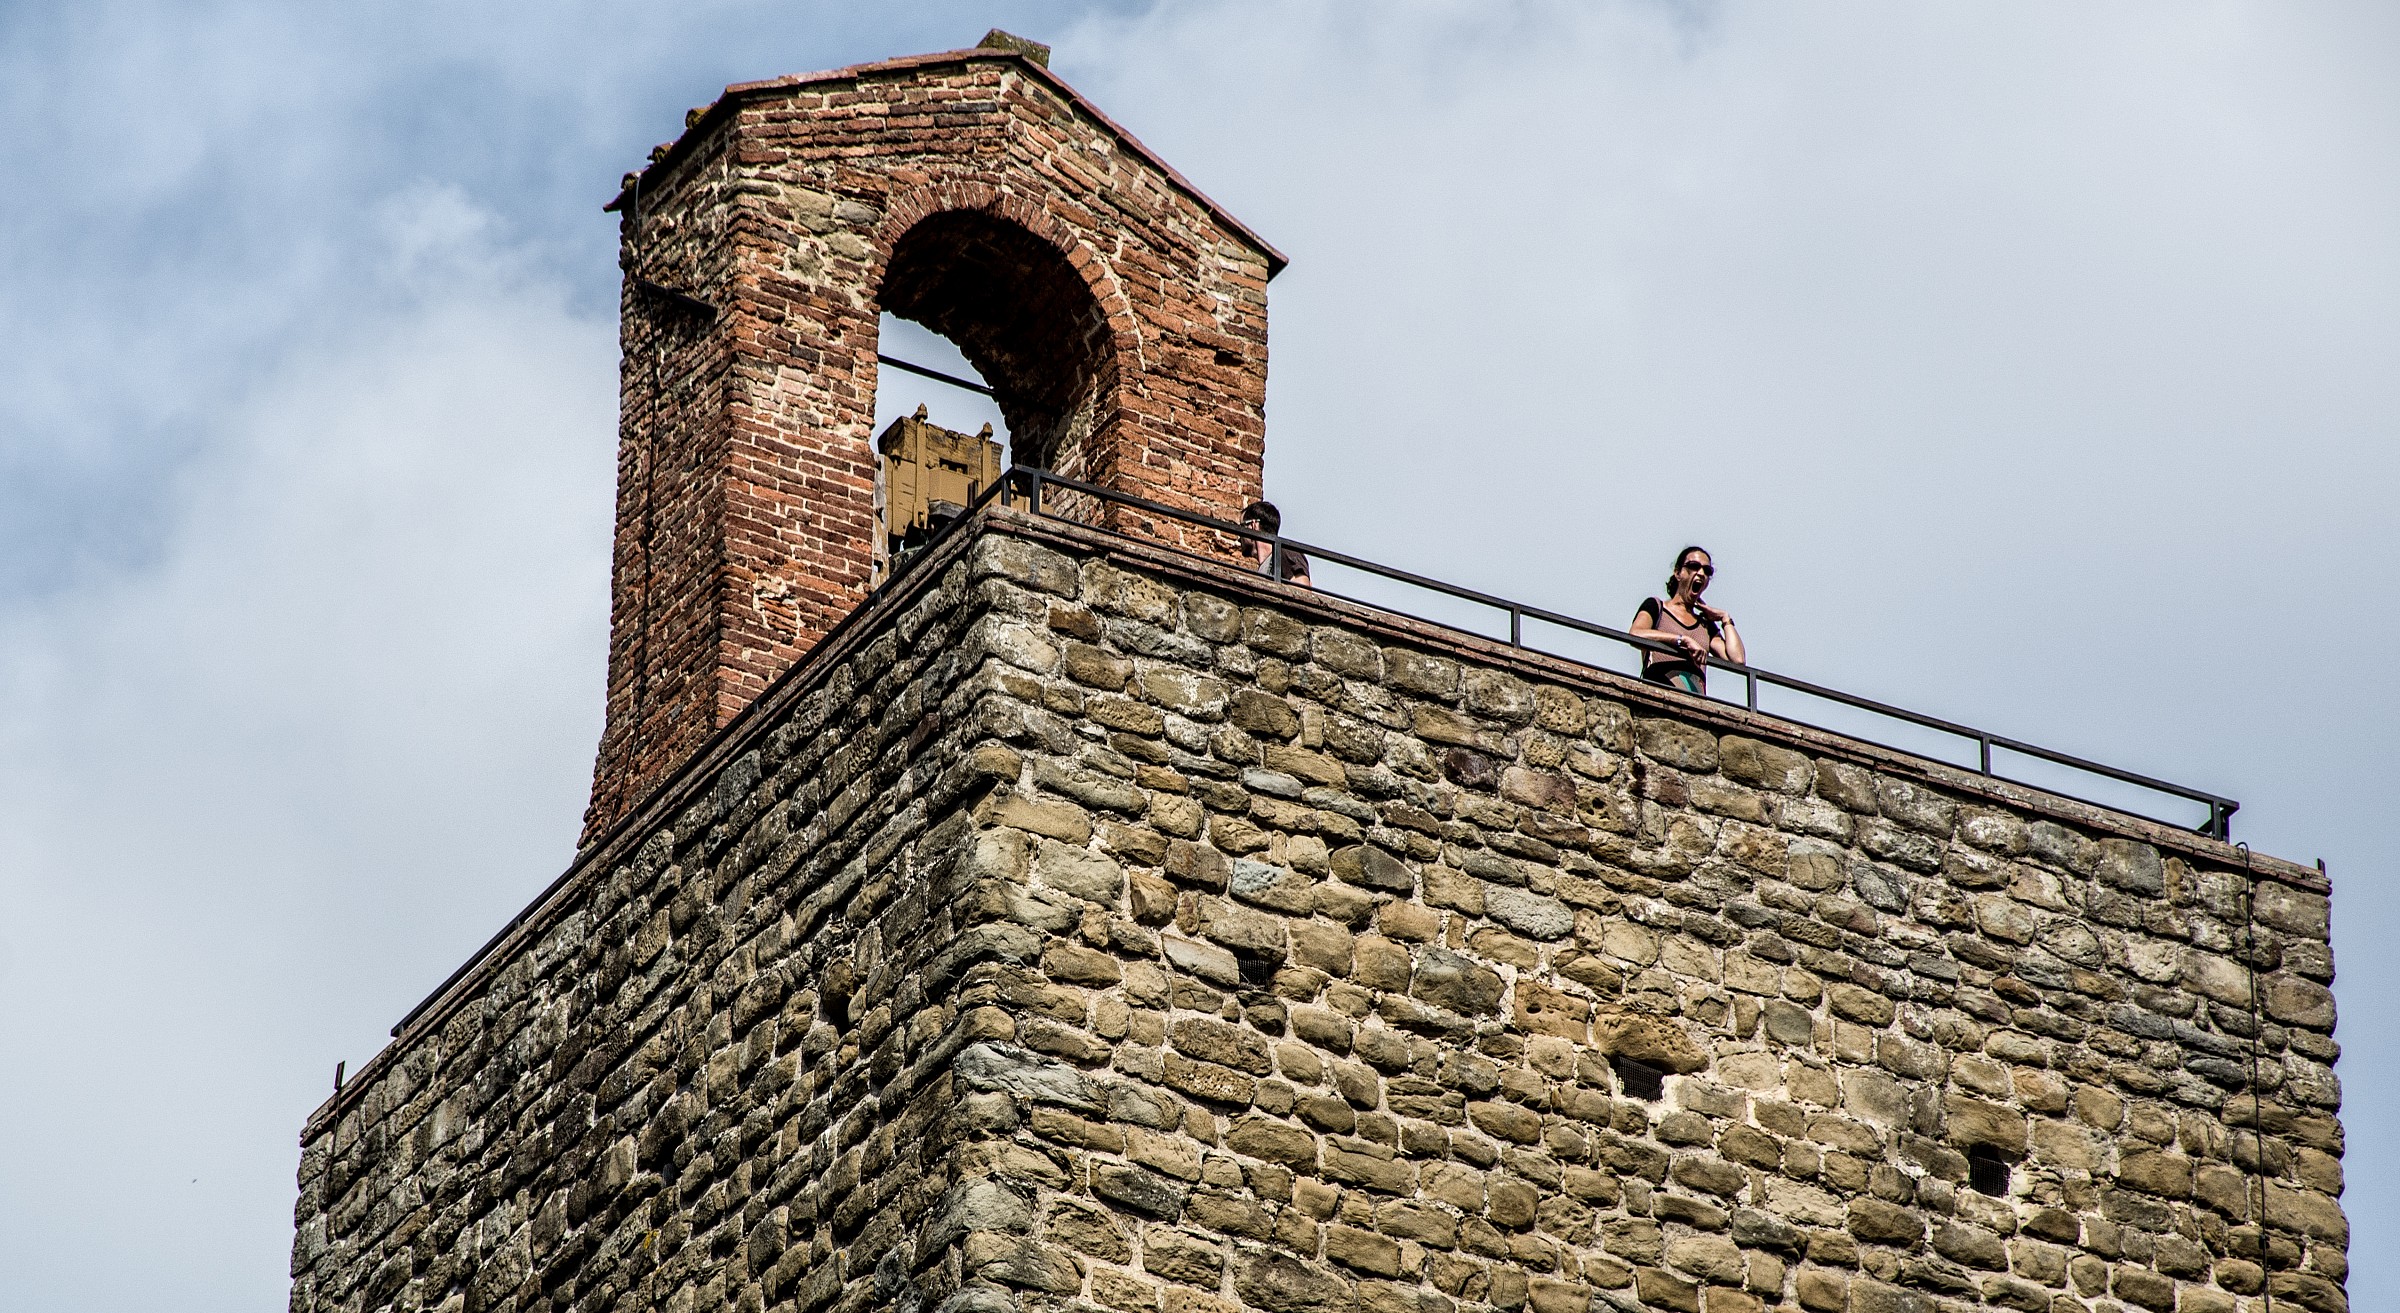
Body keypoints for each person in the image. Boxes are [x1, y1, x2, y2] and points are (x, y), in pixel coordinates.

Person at [1630, 545, 1743, 694]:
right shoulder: (1657, 607)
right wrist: (1682, 640)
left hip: (1694, 701)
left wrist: (1725, 619)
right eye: (1694, 566)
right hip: (1659, 692)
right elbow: (1635, 634)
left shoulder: (1705, 625)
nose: (1701, 573)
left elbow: (1737, 660)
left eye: (1707, 570)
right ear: (1678, 573)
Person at [1240, 500, 1312, 586]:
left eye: (1242, 527)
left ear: (1253, 525)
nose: (1239, 536)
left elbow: (1302, 591)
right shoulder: (1265, 566)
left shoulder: (1285, 552)